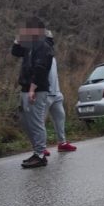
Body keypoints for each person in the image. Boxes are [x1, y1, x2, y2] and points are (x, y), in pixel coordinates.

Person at [11, 17, 54, 168]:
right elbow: (15, 52)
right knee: (25, 121)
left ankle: (41, 155)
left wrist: (32, 88)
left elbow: (41, 67)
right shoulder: (30, 45)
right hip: (26, 87)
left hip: (36, 89)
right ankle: (37, 151)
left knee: (36, 122)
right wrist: (18, 38)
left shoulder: (43, 45)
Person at [43, 30, 77, 154]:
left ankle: (62, 143)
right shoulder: (39, 53)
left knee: (60, 117)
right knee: (40, 121)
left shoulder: (52, 55)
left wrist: (59, 91)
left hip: (56, 92)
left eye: (51, 38)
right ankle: (40, 147)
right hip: (45, 92)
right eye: (48, 38)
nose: (51, 41)